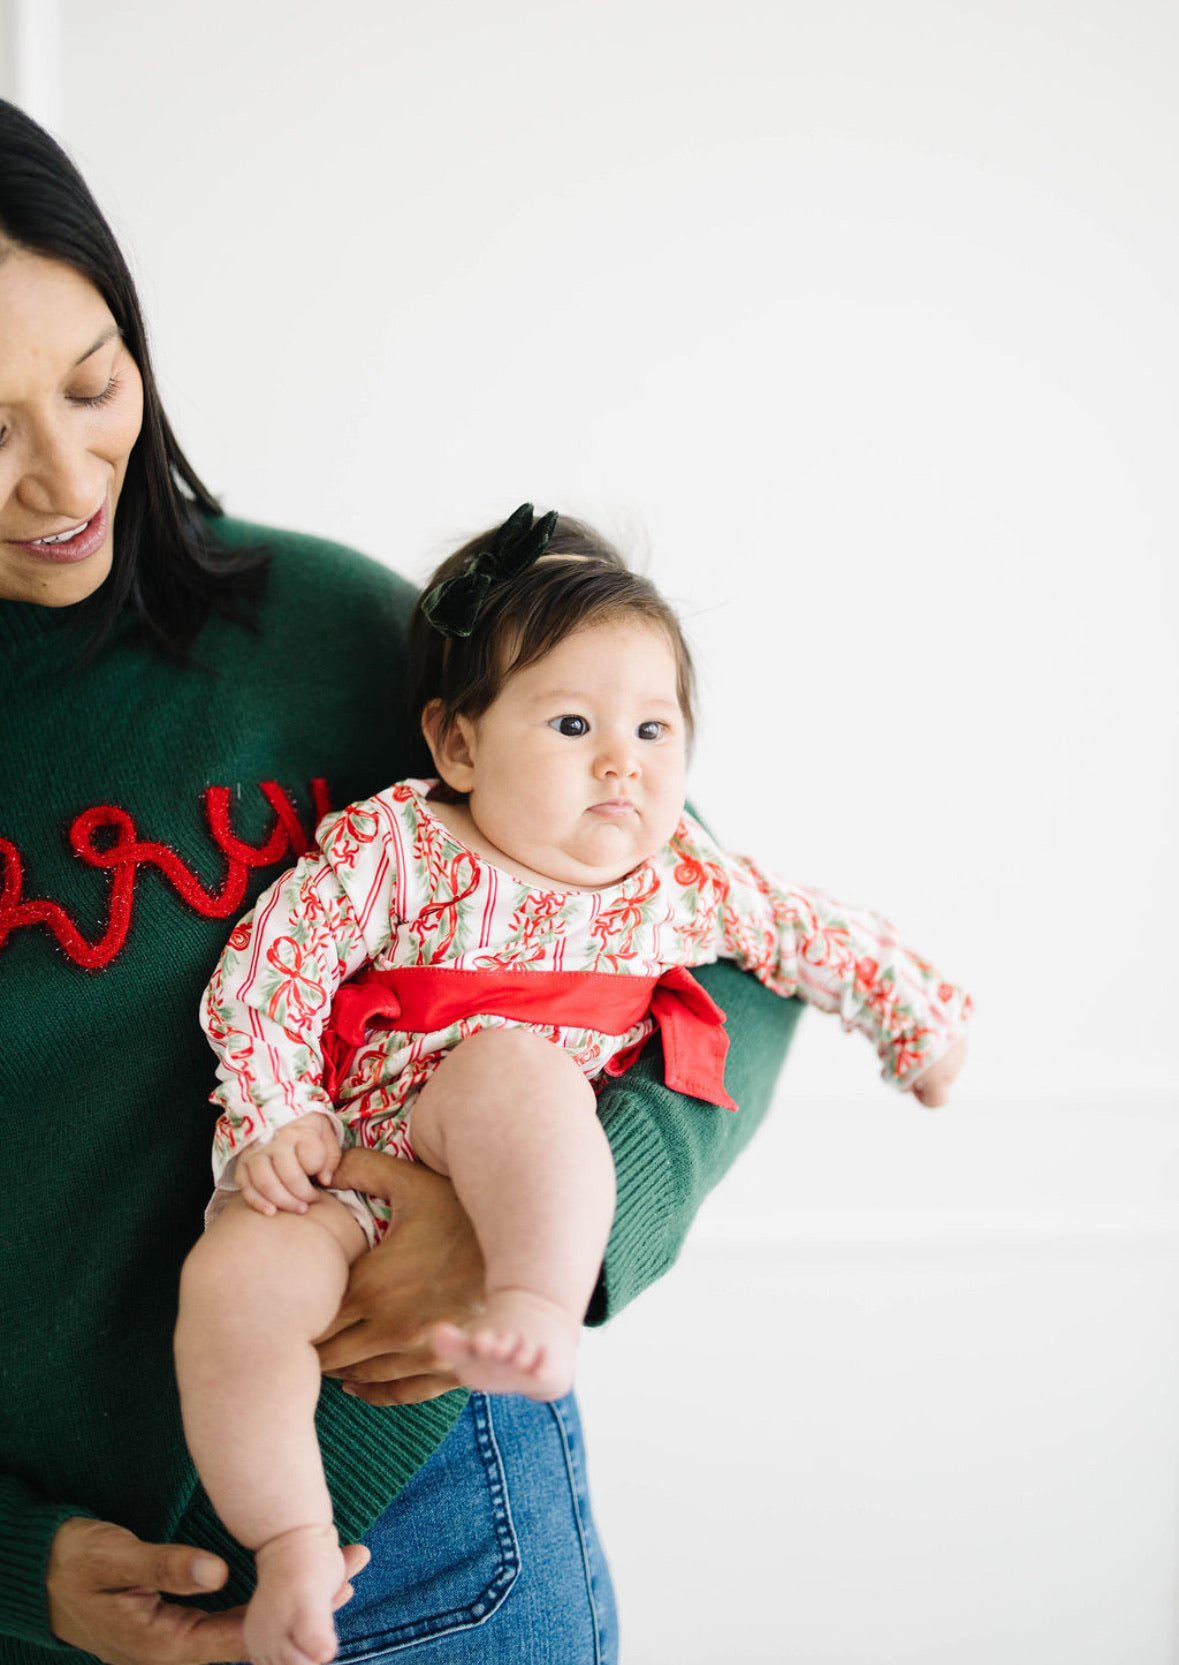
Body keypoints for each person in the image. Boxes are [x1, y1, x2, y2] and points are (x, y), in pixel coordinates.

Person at [0, 99, 800, 1665]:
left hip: (427, 1530)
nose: (58, 474)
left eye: (94, 384)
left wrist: (558, 1226)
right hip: (56, 1613)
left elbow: (730, 956)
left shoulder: (332, 640)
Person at [179, 505, 971, 1665]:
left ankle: (536, 1306)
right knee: (234, 1279)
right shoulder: (398, 845)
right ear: (456, 745)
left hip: (492, 1145)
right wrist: (277, 1112)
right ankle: (293, 1537)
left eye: (656, 730)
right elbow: (275, 963)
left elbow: (812, 935)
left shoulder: (676, 881)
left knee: (517, 1070)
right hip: (345, 1154)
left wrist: (919, 1020)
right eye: (572, 724)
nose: (624, 762)